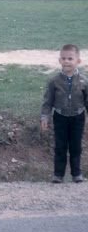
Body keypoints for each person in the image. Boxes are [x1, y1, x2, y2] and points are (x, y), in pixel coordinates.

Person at [41, 44, 88, 183]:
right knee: (60, 145)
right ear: (59, 60)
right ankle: (58, 174)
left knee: (76, 146)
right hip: (60, 117)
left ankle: (76, 174)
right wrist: (45, 117)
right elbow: (47, 101)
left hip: (78, 117)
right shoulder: (54, 81)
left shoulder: (84, 81)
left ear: (78, 61)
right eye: (64, 58)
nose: (67, 61)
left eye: (70, 58)